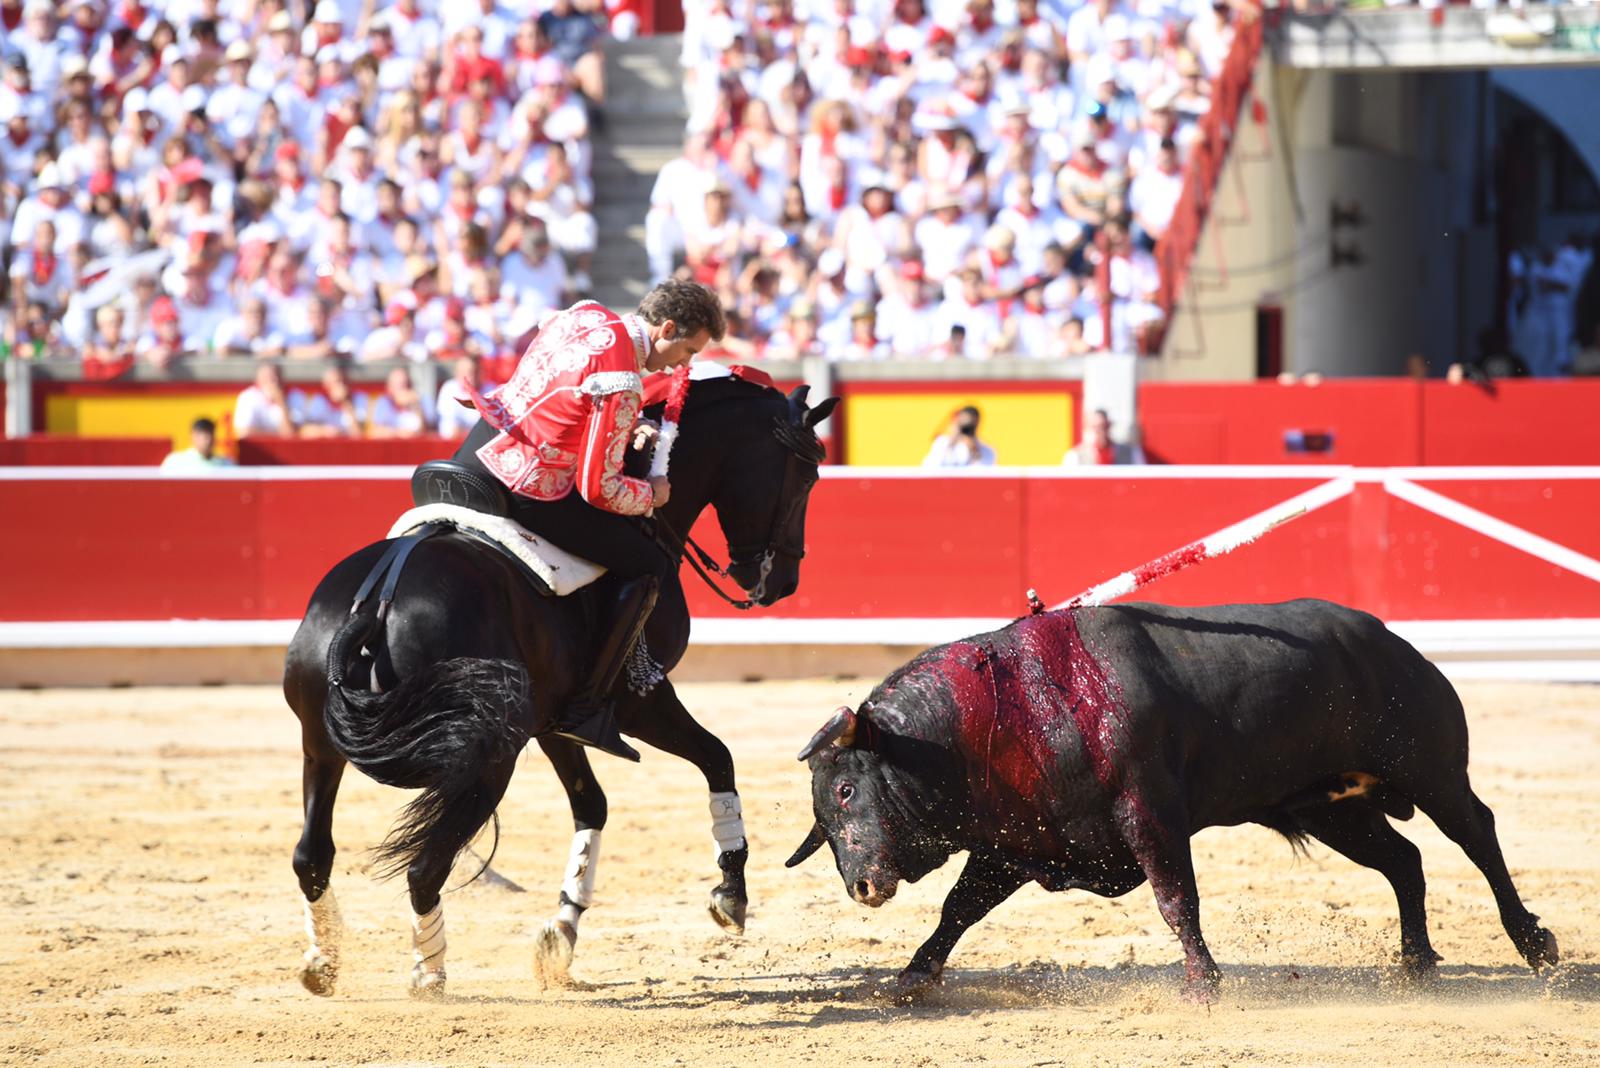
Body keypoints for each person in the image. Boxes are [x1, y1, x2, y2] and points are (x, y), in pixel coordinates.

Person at [449, 279, 726, 761]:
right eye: (687, 350)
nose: (681, 365)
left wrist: (624, 424)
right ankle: (587, 704)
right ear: (665, 329)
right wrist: (652, 495)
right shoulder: (623, 379)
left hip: (479, 450)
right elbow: (598, 489)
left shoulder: (586, 313)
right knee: (649, 562)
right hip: (528, 485)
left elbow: (566, 396)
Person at [1064, 407, 1145, 465]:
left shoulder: (1129, 452)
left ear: (1109, 426)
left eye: (1103, 426)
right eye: (1095, 427)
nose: (1100, 431)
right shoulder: (1076, 454)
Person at [923, 405, 996, 467]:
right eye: (963, 425)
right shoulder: (942, 443)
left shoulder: (987, 451)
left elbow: (985, 473)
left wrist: (974, 451)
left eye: (970, 427)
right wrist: (951, 443)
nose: (966, 430)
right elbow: (929, 467)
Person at [160, 417, 234, 471]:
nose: (208, 440)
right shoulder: (175, 461)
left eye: (210, 434)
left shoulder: (226, 464)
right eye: (203, 435)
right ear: (192, 436)